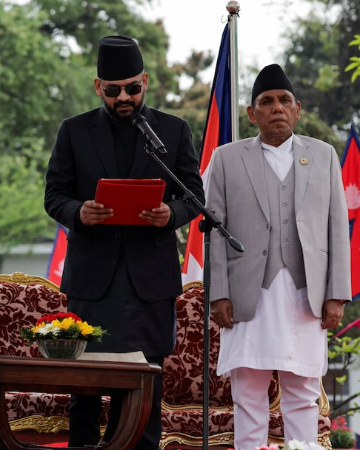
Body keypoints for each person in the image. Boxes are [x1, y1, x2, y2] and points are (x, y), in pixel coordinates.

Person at [44, 36, 203, 450]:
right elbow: (54, 196)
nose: (123, 98)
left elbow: (194, 196)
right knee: (85, 390)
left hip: (149, 284)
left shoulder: (172, 130)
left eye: (132, 88)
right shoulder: (74, 130)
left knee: (144, 390)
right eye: (113, 91)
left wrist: (171, 214)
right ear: (98, 87)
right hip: (92, 282)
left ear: (145, 81)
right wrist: (80, 212)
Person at [208, 64, 351, 449]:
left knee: (303, 393)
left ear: (297, 109)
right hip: (248, 293)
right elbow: (214, 232)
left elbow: (338, 228)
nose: (277, 108)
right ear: (252, 113)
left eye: (285, 100)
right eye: (267, 101)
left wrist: (337, 295)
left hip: (307, 292)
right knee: (248, 393)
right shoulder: (226, 158)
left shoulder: (323, 155)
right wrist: (218, 294)